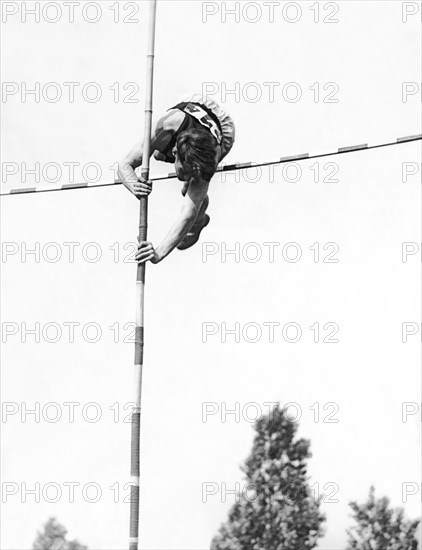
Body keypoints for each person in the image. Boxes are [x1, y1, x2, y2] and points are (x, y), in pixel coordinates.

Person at [118, 93, 235, 264]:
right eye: (186, 171)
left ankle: (200, 221)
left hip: (223, 129)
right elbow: (124, 165)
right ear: (174, 153)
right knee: (156, 154)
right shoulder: (165, 127)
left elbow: (187, 214)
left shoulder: (211, 156)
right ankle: (167, 157)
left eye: (191, 174)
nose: (186, 176)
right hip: (191, 111)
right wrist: (133, 183)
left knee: (192, 192)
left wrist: (158, 253)